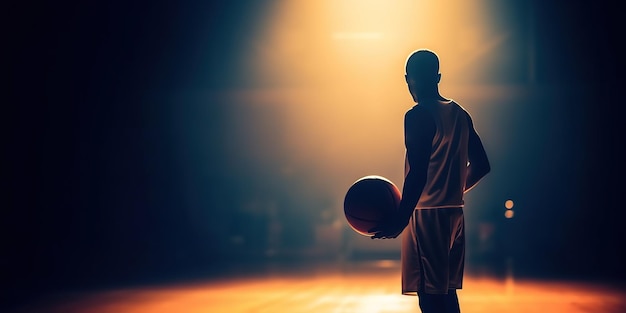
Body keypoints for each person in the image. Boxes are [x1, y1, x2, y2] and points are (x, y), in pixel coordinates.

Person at [370, 49, 491, 313]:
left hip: (426, 215)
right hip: (454, 214)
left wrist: (401, 219)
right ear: (438, 76)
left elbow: (418, 172)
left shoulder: (417, 115)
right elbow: (482, 166)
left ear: (407, 79)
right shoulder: (460, 113)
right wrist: (450, 190)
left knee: (429, 295)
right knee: (446, 292)